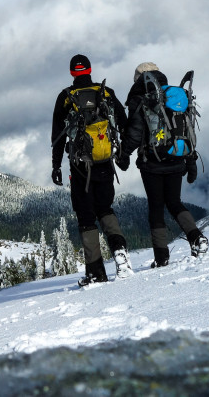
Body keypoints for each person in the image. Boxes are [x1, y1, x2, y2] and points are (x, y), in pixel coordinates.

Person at [51, 54, 133, 286]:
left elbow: (57, 135)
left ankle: (96, 272)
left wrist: (56, 165)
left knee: (86, 216)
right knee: (105, 208)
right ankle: (120, 251)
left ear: (71, 73)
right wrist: (123, 155)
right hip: (105, 162)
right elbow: (124, 124)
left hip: (79, 166)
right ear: (89, 69)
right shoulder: (105, 92)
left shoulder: (66, 97)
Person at [123, 62, 209, 267]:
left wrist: (124, 154)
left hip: (151, 162)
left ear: (138, 78)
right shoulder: (173, 96)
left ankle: (161, 257)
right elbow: (185, 129)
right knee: (174, 202)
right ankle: (197, 238)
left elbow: (135, 132)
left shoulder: (140, 98)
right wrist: (190, 161)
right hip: (177, 157)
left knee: (156, 208)